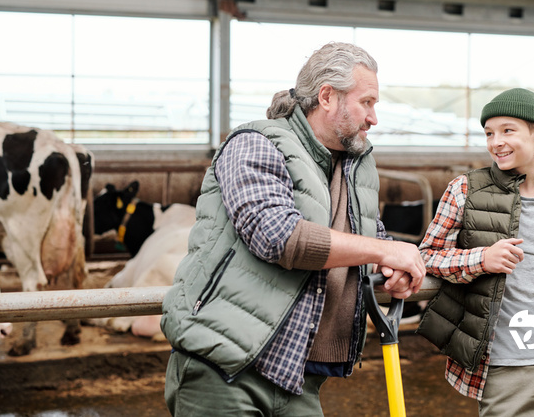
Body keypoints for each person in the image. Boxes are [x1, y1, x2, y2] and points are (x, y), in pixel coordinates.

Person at [160, 41, 426, 416]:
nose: (373, 118)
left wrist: (392, 267)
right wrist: (385, 251)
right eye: (367, 102)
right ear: (327, 96)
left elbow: (371, 238)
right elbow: (278, 236)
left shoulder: (353, 167)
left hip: (297, 375)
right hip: (227, 364)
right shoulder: (256, 143)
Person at [417, 88, 534, 416]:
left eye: (508, 130)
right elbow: (427, 255)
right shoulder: (465, 190)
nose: (496, 142)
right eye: (489, 133)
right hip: (507, 366)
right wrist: (482, 259)